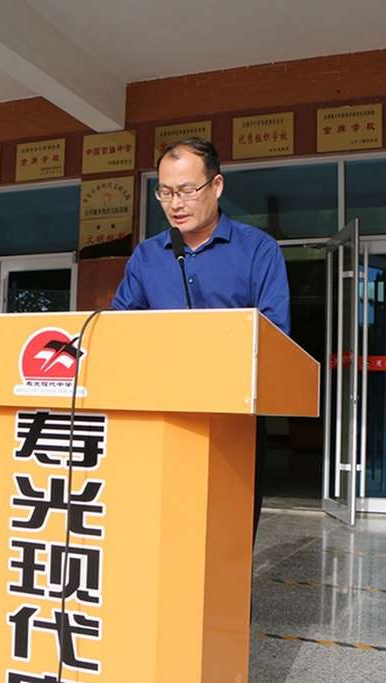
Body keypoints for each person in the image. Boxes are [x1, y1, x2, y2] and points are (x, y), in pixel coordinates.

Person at [111, 137, 290, 542]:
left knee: (230, 533)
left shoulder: (258, 250)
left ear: (217, 185)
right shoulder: (147, 256)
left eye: (187, 190)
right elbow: (120, 329)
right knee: (163, 530)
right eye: (165, 192)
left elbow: (275, 334)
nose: (176, 204)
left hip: (234, 419)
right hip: (160, 415)